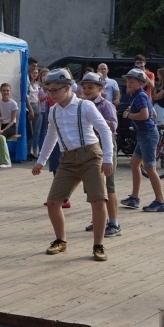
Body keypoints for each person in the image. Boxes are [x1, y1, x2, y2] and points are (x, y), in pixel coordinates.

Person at [32, 69, 114, 262]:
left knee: (98, 201)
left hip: (90, 156)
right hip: (67, 159)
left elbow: (104, 130)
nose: (51, 94)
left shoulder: (84, 106)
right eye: (48, 90)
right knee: (53, 202)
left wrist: (108, 158)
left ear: (67, 88)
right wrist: (40, 161)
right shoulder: (53, 111)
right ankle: (61, 240)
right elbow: (50, 136)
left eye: (54, 90)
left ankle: (98, 245)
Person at [78, 72, 121, 237]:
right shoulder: (82, 105)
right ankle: (98, 219)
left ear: (100, 89)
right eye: (85, 87)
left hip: (105, 146)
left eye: (91, 87)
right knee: (93, 187)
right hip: (89, 147)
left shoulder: (105, 105)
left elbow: (113, 126)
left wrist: (100, 123)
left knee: (108, 185)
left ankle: (114, 222)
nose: (87, 90)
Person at [120, 68, 164, 212]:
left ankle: (160, 201)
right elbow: (152, 112)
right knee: (134, 163)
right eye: (128, 81)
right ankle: (134, 198)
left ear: (141, 83)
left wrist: (129, 115)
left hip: (147, 134)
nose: (128, 83)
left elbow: (145, 115)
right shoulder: (140, 95)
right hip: (144, 134)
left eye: (132, 81)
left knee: (150, 168)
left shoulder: (139, 96)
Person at [27, 66, 41, 158]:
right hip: (31, 105)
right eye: (33, 73)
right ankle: (28, 151)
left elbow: (38, 96)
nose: (35, 74)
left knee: (36, 131)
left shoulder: (37, 84)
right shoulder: (28, 83)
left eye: (36, 73)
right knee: (31, 130)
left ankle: (34, 150)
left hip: (37, 106)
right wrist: (30, 109)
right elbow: (27, 96)